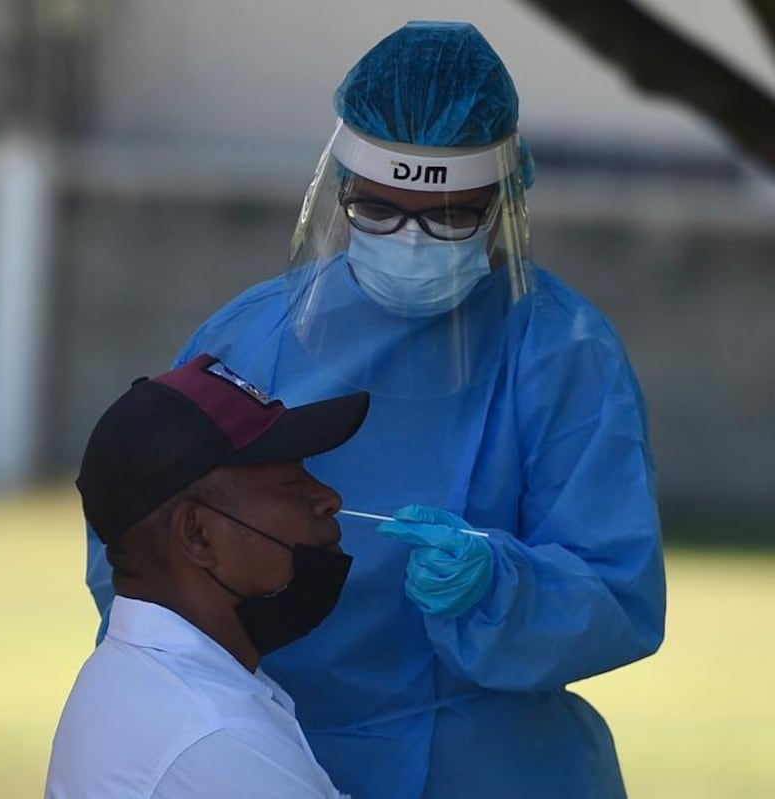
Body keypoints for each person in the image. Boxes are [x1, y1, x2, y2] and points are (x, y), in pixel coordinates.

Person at [85, 20, 666, 799]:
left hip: (499, 768)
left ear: (506, 197)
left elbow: (618, 590)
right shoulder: (252, 339)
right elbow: (143, 547)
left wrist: (499, 588)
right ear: (340, 190)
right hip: (287, 748)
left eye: (451, 216)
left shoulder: (562, 351)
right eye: (379, 211)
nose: (412, 240)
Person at [49, 353, 368, 798]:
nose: (329, 498)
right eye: (290, 484)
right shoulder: (215, 737)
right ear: (198, 535)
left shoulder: (143, 678)